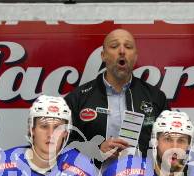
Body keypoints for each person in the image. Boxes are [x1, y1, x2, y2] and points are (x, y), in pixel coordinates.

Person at [65, 28, 169, 165]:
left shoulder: (155, 97)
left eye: (128, 46)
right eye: (114, 46)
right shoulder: (77, 98)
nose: (122, 51)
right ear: (103, 55)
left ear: (135, 56)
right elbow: (62, 144)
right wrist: (95, 150)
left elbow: (169, 143)